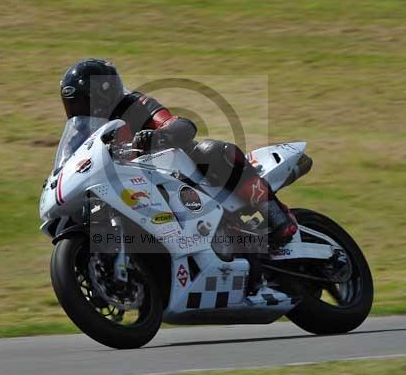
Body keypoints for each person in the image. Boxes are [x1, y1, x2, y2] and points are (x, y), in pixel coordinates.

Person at [59, 58, 298, 253]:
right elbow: (70, 164)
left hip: (175, 171)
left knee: (214, 151)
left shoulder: (135, 104)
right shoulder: (81, 132)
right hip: (129, 188)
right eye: (72, 103)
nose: (77, 109)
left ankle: (277, 217)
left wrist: (159, 136)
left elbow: (180, 124)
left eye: (82, 101)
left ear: (102, 94)